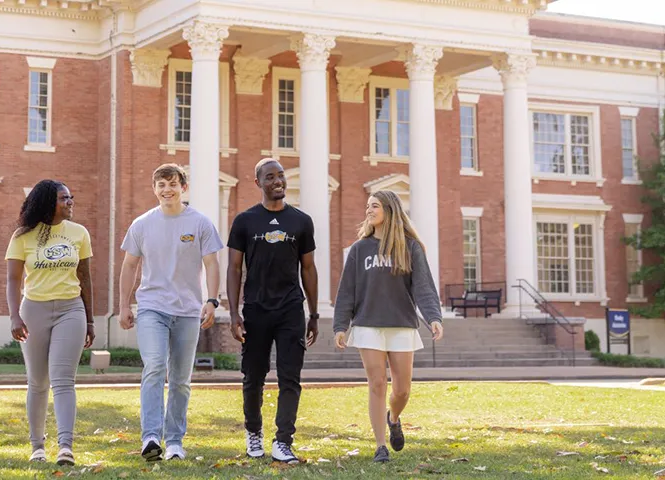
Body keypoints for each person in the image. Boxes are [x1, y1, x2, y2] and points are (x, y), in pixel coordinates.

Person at [118, 163, 222, 462]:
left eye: (173, 184)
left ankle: (174, 440)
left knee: (180, 379)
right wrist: (125, 305)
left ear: (183, 187)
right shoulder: (142, 224)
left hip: (188, 311)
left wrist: (212, 300)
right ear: (154, 189)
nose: (167, 190)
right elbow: (129, 265)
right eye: (161, 185)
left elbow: (212, 264)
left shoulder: (200, 223)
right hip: (152, 307)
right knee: (154, 365)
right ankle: (151, 436)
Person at [332, 190, 445, 463]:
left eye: (374, 206)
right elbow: (347, 290)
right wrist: (340, 325)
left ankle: (393, 418)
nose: (368, 211)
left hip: (402, 325)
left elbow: (423, 287)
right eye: (367, 206)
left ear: (389, 210)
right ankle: (380, 446)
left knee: (402, 390)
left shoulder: (410, 247)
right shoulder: (360, 249)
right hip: (368, 324)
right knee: (377, 384)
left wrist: (433, 317)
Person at [227, 159, 319, 464]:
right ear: (258, 183)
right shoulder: (244, 221)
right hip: (255, 309)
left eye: (280, 175)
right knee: (253, 376)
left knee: (290, 377)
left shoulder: (301, 221)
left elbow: (308, 268)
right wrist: (234, 313)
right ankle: (253, 433)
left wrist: (314, 314)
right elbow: (234, 268)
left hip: (291, 308)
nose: (278, 181)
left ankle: (283, 441)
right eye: (270, 177)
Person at [5, 179, 95, 466]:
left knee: (64, 380)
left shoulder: (79, 233)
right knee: (38, 382)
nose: (70, 202)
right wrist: (14, 316)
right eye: (63, 198)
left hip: (71, 309)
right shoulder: (23, 236)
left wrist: (90, 320)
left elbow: (86, 278)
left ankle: (66, 447)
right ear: (47, 203)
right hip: (34, 311)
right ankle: (37, 447)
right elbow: (12, 279)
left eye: (71, 197)